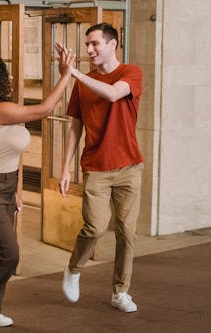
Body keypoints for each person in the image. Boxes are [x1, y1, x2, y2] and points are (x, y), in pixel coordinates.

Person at [0, 43, 74, 327]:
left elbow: (12, 153)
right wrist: (65, 74)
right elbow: (46, 109)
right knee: (9, 253)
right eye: (5, 75)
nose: (11, 79)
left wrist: (16, 190)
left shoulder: (5, 109)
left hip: (5, 186)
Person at [59, 22, 144, 313]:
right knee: (94, 227)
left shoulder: (131, 73)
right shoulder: (83, 85)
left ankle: (120, 291)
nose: (90, 49)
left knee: (126, 232)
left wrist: (75, 74)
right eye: (87, 45)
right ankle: (74, 268)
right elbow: (75, 127)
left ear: (112, 44)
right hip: (95, 167)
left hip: (129, 167)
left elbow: (112, 94)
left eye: (95, 43)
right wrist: (66, 167)